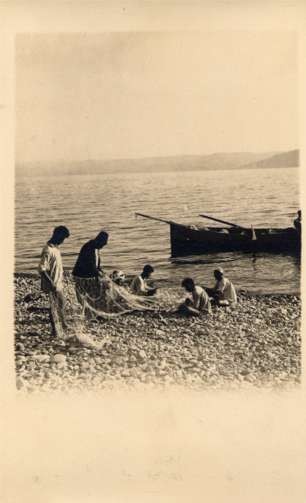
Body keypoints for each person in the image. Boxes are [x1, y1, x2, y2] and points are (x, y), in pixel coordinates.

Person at [72, 232, 154, 318]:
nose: (103, 246)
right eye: (103, 244)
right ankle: (92, 314)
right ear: (99, 240)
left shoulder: (96, 248)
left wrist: (103, 273)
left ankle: (96, 313)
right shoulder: (89, 247)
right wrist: (101, 276)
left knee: (103, 291)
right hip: (82, 278)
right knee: (95, 294)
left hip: (90, 276)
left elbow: (97, 266)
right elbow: (90, 266)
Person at [38, 225, 70, 337]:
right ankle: (55, 330)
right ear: (57, 235)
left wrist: (63, 274)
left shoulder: (56, 248)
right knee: (54, 306)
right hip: (52, 283)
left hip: (58, 281)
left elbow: (56, 265)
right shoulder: (47, 249)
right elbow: (42, 269)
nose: (63, 241)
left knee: (61, 304)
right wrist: (51, 282)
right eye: (62, 238)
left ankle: (62, 325)